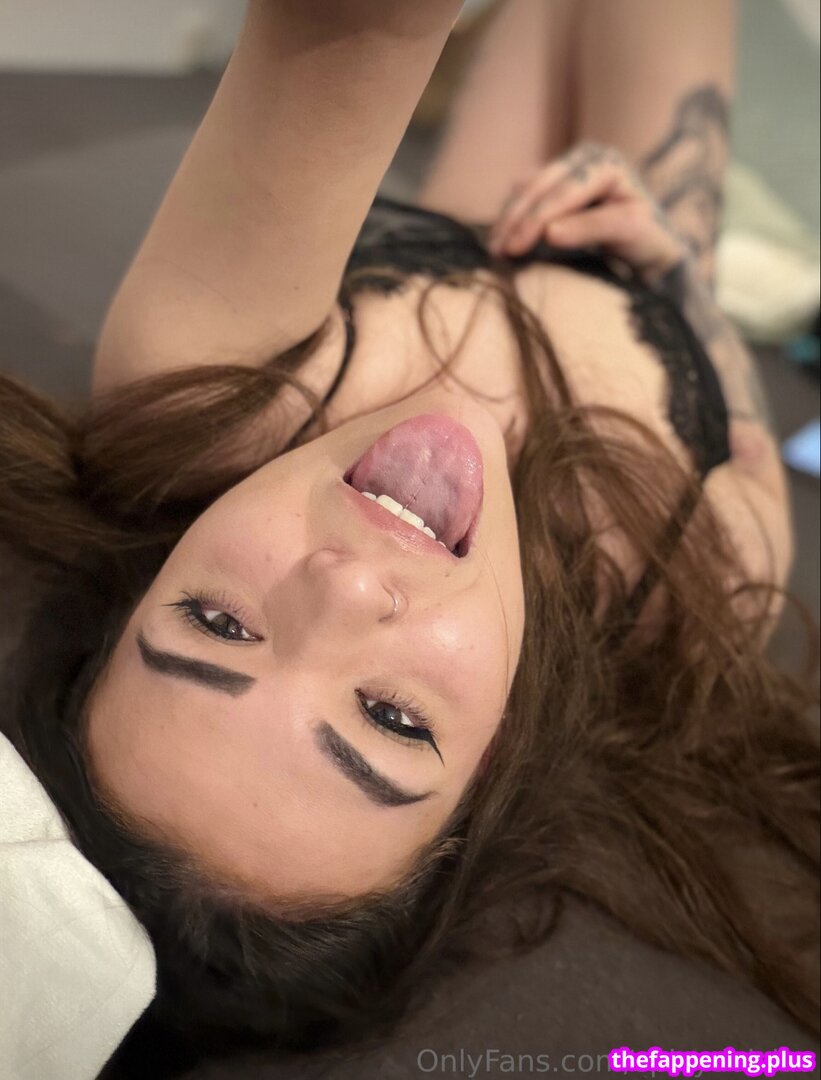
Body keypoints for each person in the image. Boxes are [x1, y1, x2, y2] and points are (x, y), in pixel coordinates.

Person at [0, 0, 817, 1071]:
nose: (341, 589)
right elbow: (742, 433)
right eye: (389, 717)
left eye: (218, 623)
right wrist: (669, 275)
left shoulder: (207, 393)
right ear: (501, 758)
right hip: (622, 267)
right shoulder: (685, 569)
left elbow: (356, 26)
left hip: (441, 240)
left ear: (144, 581)